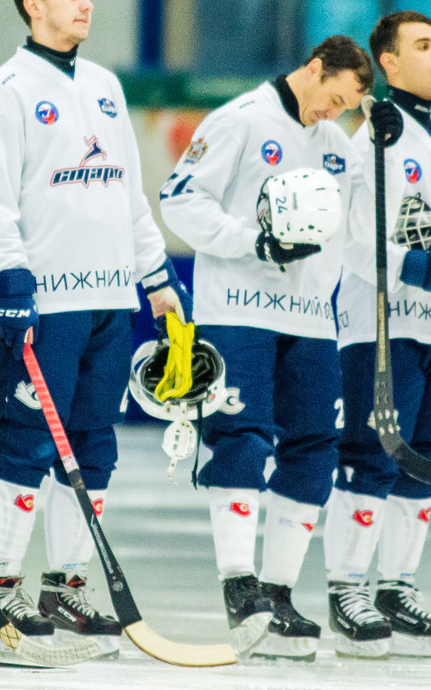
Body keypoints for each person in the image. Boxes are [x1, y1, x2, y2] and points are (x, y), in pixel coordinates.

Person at [0, 0, 188, 648]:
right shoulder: (6, 90)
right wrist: (11, 274)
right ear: (34, 5)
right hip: (45, 305)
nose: (86, 3)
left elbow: (129, 196)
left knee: (93, 447)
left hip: (109, 302)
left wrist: (159, 283)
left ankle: (64, 587)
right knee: (25, 443)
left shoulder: (105, 86)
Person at [159, 34, 380, 659]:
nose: (329, 113)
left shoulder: (338, 144)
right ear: (313, 69)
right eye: (329, 97)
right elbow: (179, 198)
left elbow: (371, 211)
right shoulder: (241, 119)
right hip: (238, 310)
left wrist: (383, 130)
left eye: (344, 107)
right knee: (244, 437)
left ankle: (279, 594)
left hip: (311, 319)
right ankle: (239, 584)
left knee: (314, 447)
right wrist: (249, 242)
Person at [323, 11, 431, 658]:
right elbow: (353, 237)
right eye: (423, 46)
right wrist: (420, 266)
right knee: (371, 453)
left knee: (426, 455)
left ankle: (395, 586)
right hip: (381, 327)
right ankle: (348, 588)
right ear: (389, 63)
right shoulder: (370, 139)